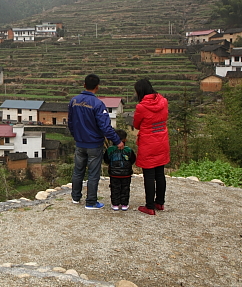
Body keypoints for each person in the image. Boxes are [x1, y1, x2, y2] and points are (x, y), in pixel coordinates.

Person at [68, 74, 124, 209]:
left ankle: (76, 198)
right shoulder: (98, 104)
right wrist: (117, 141)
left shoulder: (74, 101)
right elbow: (105, 127)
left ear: (84, 85)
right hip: (94, 144)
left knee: (78, 171)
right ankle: (91, 202)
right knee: (93, 173)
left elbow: (70, 122)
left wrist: (76, 136)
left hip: (80, 142)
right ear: (97, 87)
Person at [133, 78, 170, 216]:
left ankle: (149, 206)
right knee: (160, 173)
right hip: (162, 140)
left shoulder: (141, 107)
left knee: (149, 175)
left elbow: (136, 124)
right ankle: (159, 202)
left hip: (148, 142)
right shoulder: (163, 101)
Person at [103, 129, 136, 211]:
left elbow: (106, 160)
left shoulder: (110, 150)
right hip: (126, 173)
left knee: (114, 188)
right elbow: (133, 159)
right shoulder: (128, 150)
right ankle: (124, 204)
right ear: (125, 139)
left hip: (114, 173)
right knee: (125, 188)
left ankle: (115, 204)